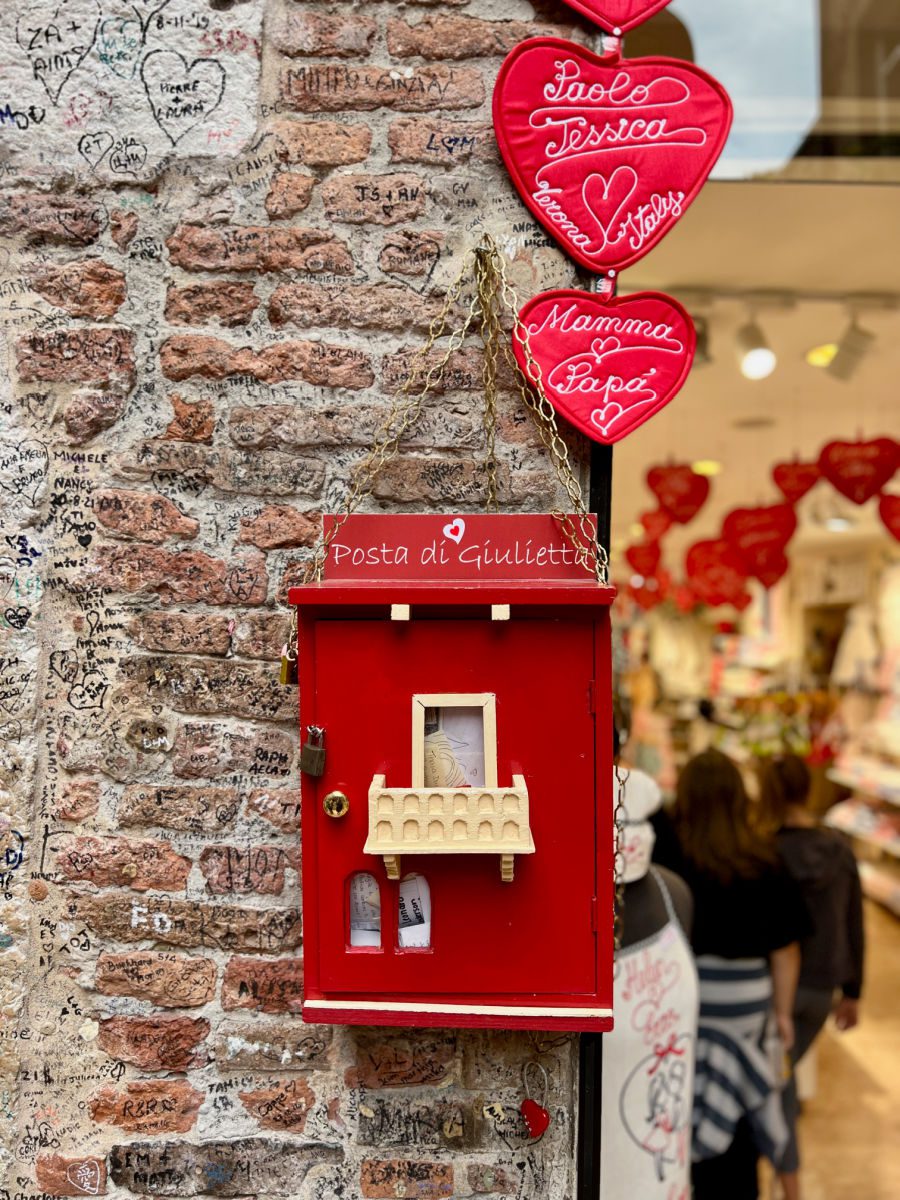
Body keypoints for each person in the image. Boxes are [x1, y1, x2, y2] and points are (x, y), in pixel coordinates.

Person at [661, 749, 811, 1200]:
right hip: (747, 1005)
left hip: (689, 1001)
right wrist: (782, 1015)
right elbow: (786, 950)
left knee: (683, 1103)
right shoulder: (763, 856)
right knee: (745, 1106)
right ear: (737, 797)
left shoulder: (671, 853)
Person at [759, 753, 865, 1200]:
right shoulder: (840, 850)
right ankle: (788, 1184)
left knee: (774, 1085)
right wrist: (854, 991)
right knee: (778, 1081)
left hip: (775, 990)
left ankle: (789, 1186)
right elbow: (854, 921)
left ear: (770, 794)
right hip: (823, 989)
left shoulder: (765, 851)